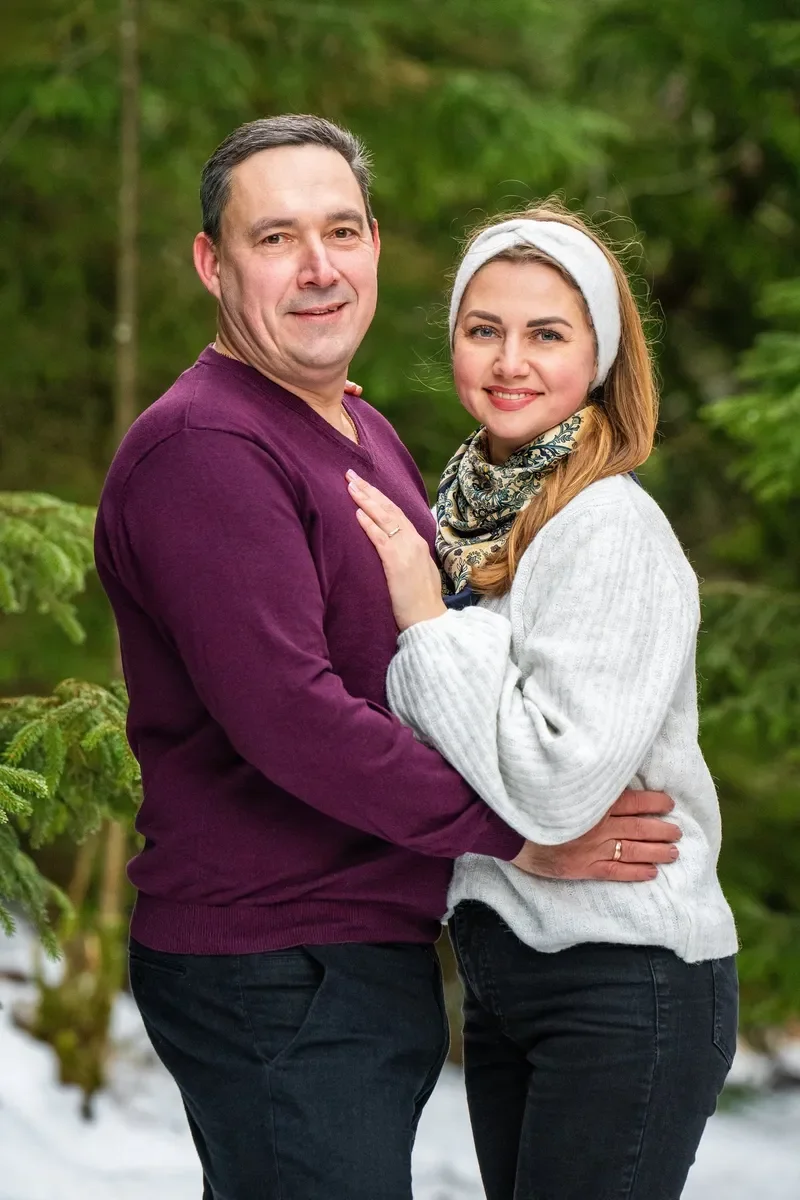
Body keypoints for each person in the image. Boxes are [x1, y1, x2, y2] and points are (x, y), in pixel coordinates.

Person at [94, 117, 680, 1200]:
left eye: (342, 230)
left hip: (348, 949)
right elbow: (292, 718)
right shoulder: (207, 450)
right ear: (211, 264)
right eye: (275, 238)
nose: (319, 268)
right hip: (273, 955)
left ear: (374, 246)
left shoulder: (350, 429)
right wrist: (520, 836)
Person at [346, 201, 739, 1200]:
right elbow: (435, 752)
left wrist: (426, 627)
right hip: (510, 965)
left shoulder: (606, 526)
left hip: (623, 975)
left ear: (599, 359)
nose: (509, 359)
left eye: (545, 334)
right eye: (484, 330)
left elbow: (557, 785)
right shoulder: (472, 523)